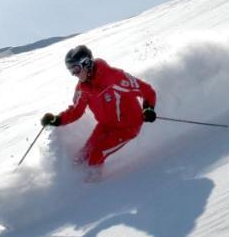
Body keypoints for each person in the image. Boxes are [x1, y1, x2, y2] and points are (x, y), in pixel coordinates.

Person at [40, 44, 157, 175]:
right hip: (105, 126)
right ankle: (73, 186)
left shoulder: (114, 78)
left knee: (97, 154)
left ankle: (93, 189)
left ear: (87, 63)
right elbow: (76, 111)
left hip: (127, 127)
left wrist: (148, 108)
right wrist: (57, 119)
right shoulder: (82, 89)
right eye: (71, 70)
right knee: (81, 157)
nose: (74, 74)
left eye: (76, 69)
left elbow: (146, 90)